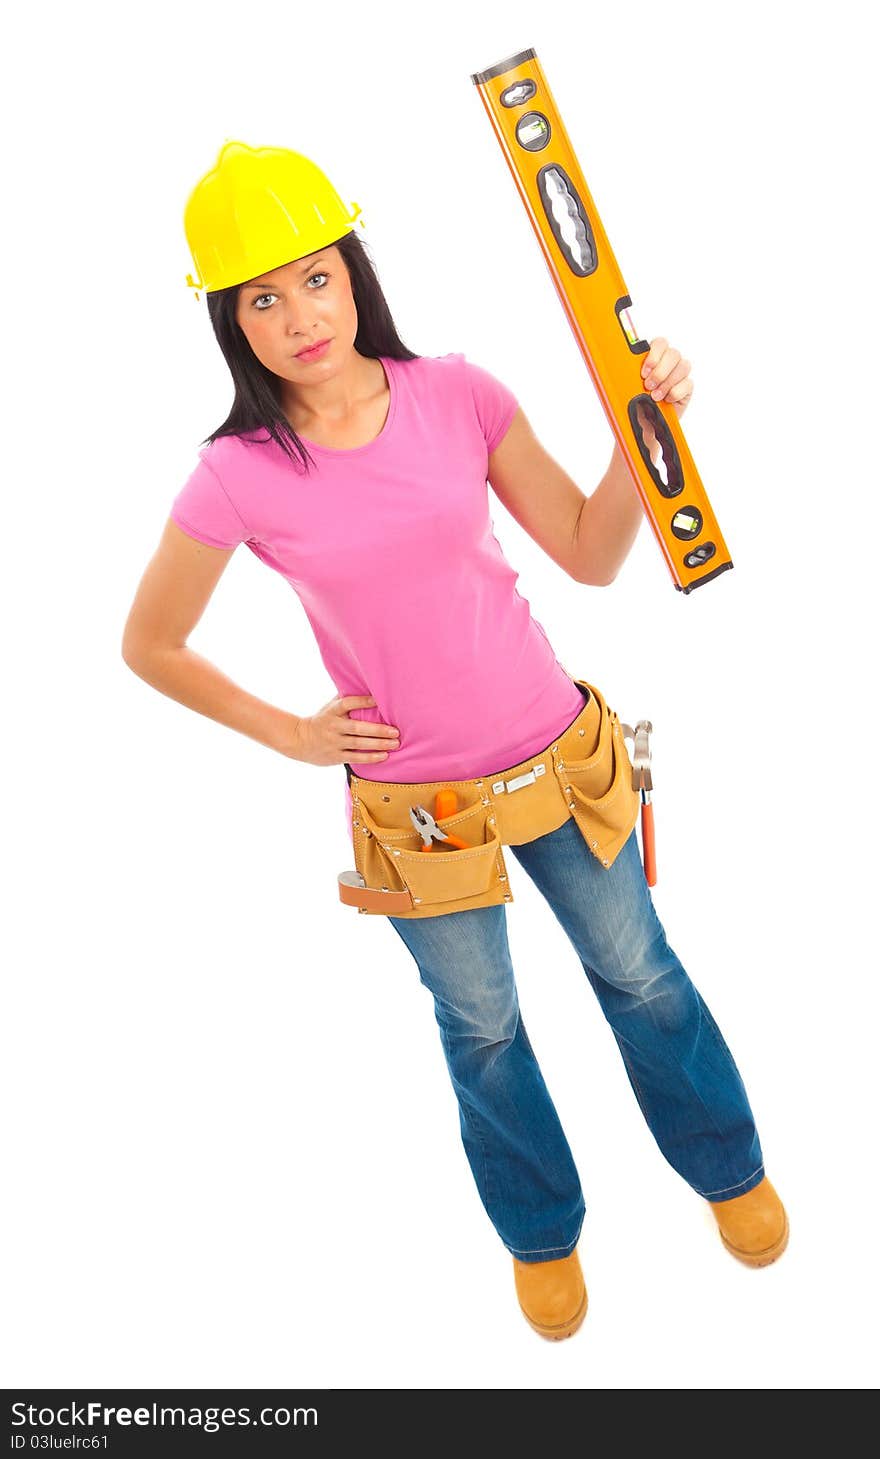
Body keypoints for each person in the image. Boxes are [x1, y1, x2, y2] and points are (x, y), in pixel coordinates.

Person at [121, 140, 788, 1342]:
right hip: (415, 812)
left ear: (354, 273)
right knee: (480, 1030)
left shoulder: (458, 394)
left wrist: (643, 431)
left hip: (556, 756)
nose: (297, 314)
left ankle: (728, 1167)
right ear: (232, 322)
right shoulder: (235, 475)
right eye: (260, 297)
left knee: (641, 975)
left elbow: (587, 549)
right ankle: (542, 1236)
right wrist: (289, 732)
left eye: (313, 278)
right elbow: (150, 643)